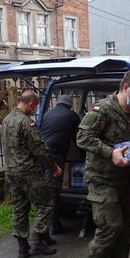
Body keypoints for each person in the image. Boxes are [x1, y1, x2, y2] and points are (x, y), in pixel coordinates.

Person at [76, 67, 130, 258]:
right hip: (102, 178)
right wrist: (110, 153)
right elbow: (82, 137)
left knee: (128, 227)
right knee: (111, 226)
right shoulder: (103, 110)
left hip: (126, 177)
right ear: (126, 88)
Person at [1, 90, 62, 258]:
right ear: (31, 104)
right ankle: (38, 239)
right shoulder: (26, 122)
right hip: (28, 171)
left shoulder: (7, 119)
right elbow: (39, 149)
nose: (34, 110)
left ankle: (22, 247)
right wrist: (54, 167)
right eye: (34, 107)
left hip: (11, 171)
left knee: (20, 208)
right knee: (46, 204)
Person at [39, 94, 81, 237]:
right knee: (54, 190)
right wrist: (84, 155)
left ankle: (51, 223)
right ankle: (53, 225)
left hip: (42, 154)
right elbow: (78, 139)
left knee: (48, 188)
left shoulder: (47, 114)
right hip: (55, 156)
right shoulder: (72, 116)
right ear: (70, 105)